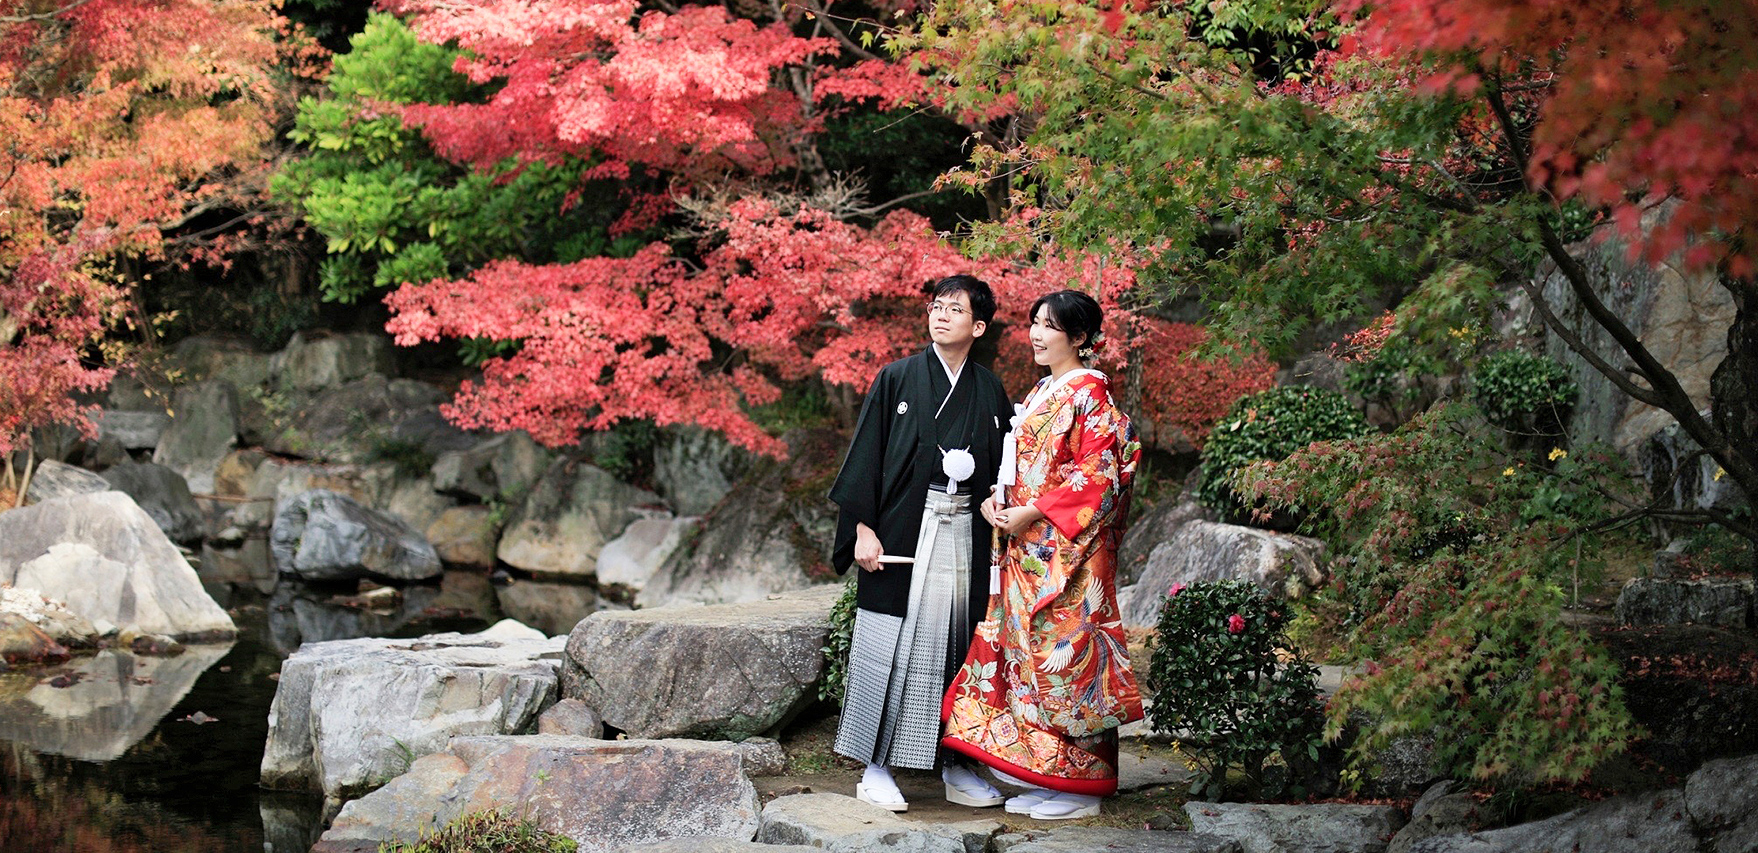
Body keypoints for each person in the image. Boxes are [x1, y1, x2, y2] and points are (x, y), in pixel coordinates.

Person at [941, 289, 1144, 820]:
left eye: (1049, 326)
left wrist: (1031, 511)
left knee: (1069, 659)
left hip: (1068, 555)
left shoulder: (1090, 394)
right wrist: (997, 498)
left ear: (1079, 337)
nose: (1035, 334)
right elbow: (1026, 467)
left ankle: (1084, 787)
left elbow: (1098, 478)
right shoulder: (1042, 390)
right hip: (1027, 548)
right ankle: (1052, 775)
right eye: (1034, 322)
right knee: (1030, 660)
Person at [827, 274, 1015, 812]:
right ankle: (875, 767)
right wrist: (862, 530)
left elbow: (1004, 470)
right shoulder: (898, 377)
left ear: (978, 327)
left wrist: (996, 501)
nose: (941, 315)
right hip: (903, 529)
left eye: (955, 309)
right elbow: (865, 456)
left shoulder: (989, 390)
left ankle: (957, 764)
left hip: (966, 531)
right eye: (937, 306)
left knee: (961, 644)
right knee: (890, 644)